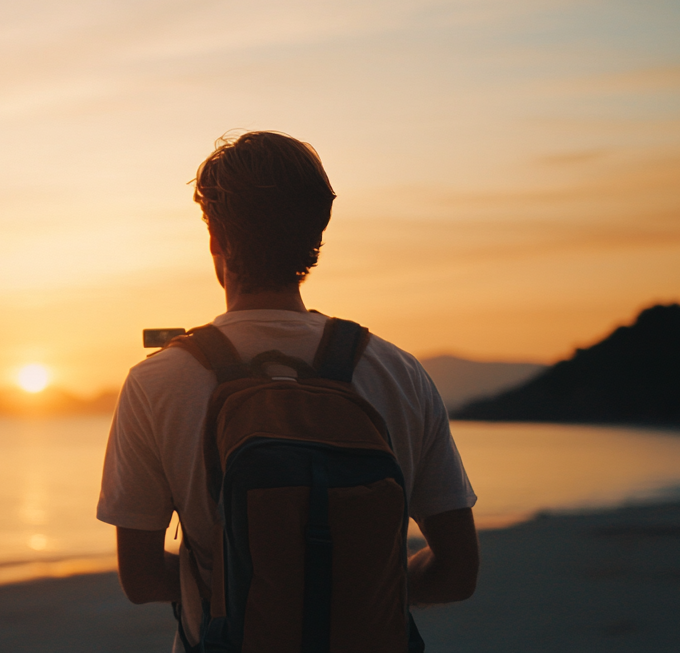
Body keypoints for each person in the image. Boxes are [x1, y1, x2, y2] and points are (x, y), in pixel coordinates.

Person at [97, 131, 479, 651]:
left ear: (217, 241)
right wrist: (350, 594)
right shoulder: (399, 373)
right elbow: (457, 572)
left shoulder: (156, 383)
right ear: (315, 237)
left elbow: (140, 578)